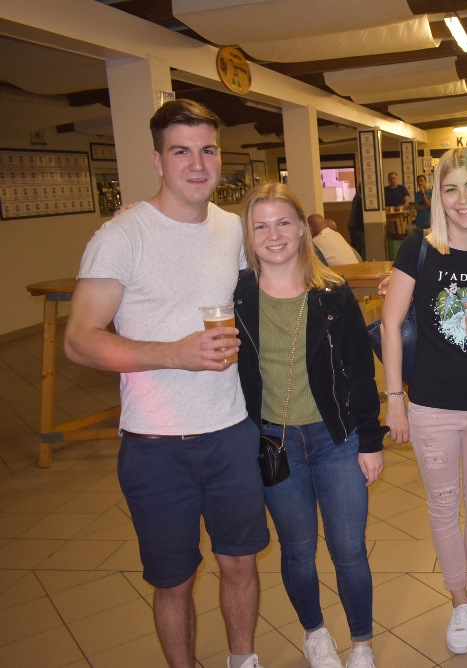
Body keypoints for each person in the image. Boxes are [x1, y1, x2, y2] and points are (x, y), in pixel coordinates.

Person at [64, 99, 269, 668]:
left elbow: (283, 270)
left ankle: (243, 659)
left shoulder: (231, 230)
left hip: (231, 432)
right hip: (156, 444)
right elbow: (79, 340)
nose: (198, 165)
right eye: (182, 152)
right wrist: (173, 354)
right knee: (174, 581)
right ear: (158, 161)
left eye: (208, 150)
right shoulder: (122, 235)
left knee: (240, 563)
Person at [235, 183, 385, 668]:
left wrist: (370, 440)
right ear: (248, 235)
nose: (273, 234)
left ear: (303, 227)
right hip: (274, 443)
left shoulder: (332, 293)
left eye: (283, 222)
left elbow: (361, 372)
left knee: (348, 548)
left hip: (336, 437)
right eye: (261, 225)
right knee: (297, 549)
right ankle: (315, 633)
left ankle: (361, 642)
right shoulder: (237, 297)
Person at [381, 148, 467, 655]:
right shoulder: (420, 247)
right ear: (437, 196)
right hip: (432, 403)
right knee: (443, 505)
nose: (463, 199)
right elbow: (391, 324)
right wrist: (395, 399)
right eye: (451, 188)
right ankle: (459, 599)